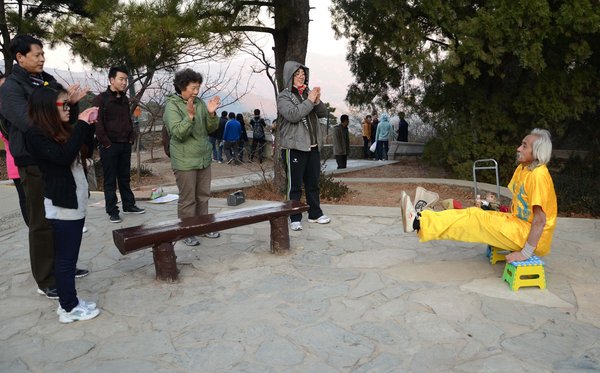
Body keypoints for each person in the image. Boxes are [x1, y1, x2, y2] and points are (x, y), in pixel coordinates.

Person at [0, 35, 89, 299]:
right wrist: (59, 108)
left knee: (62, 217)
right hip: (34, 159)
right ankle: (45, 278)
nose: (41, 59)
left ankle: (63, 267)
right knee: (41, 221)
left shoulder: (46, 80)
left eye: (42, 54)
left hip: (59, 154)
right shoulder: (11, 88)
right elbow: (28, 121)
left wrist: (72, 104)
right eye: (36, 54)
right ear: (20, 58)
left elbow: (66, 114)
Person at [401, 128, 557, 263]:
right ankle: (420, 218)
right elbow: (519, 203)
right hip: (517, 225)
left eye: (524, 146)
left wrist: (525, 253)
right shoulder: (523, 169)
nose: (518, 148)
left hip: (532, 236)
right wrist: (493, 208)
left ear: (536, 152)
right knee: (474, 213)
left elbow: (540, 221)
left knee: (475, 220)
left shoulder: (539, 175)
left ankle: (418, 222)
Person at [25, 85, 100, 323]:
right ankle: (68, 307)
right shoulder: (35, 135)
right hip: (63, 204)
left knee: (70, 255)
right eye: (63, 105)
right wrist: (80, 122)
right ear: (48, 108)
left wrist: (86, 122)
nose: (67, 109)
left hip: (74, 200)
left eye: (68, 105)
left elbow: (84, 148)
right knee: (66, 258)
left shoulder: (59, 130)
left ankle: (70, 301)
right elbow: (63, 156)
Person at [163, 68, 221, 246]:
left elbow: (211, 129)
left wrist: (211, 114)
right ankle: (186, 231)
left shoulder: (201, 103)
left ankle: (203, 227)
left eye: (198, 88)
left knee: (203, 195)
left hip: (203, 157)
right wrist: (189, 117)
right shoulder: (172, 105)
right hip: (184, 160)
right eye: (193, 88)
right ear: (182, 86)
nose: (196, 92)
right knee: (188, 199)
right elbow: (178, 133)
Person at [277, 60, 330, 231]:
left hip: (312, 146)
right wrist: (309, 100)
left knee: (313, 182)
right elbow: (293, 115)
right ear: (290, 77)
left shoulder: (307, 94)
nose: (301, 77)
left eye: (303, 74)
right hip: (294, 147)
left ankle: (315, 213)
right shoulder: (284, 96)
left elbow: (323, 113)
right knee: (295, 185)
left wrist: (316, 101)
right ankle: (294, 217)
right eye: (297, 74)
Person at [93, 66, 145, 223]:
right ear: (111, 80)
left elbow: (128, 119)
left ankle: (129, 205)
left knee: (124, 177)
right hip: (109, 145)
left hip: (125, 144)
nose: (124, 82)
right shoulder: (100, 99)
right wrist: (106, 143)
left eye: (126, 79)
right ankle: (112, 210)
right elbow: (98, 123)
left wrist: (131, 137)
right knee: (110, 180)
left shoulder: (124, 99)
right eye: (121, 79)